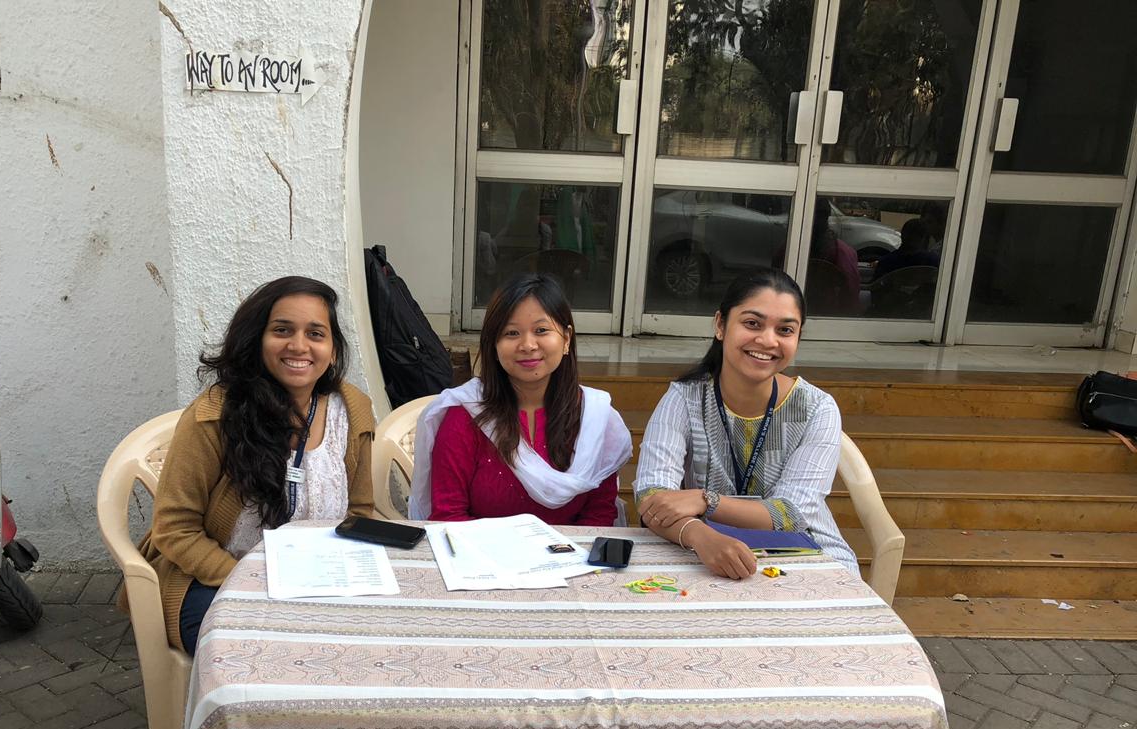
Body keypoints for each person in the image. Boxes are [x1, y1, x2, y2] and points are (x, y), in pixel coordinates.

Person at [142, 276, 375, 654]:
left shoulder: (353, 411)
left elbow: (359, 510)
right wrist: (255, 579)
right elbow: (173, 530)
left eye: (316, 333)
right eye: (282, 330)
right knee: (271, 651)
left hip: (318, 577)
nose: (299, 345)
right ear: (256, 340)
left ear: (332, 350)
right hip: (218, 579)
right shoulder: (214, 417)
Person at [634, 267, 857, 579]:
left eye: (785, 330)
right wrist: (699, 535)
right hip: (706, 552)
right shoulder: (684, 399)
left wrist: (705, 500)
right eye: (752, 323)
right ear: (721, 325)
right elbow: (651, 497)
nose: (767, 340)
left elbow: (791, 513)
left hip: (805, 551)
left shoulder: (817, 408)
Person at [408, 273, 631, 524]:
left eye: (541, 330)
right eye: (512, 333)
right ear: (494, 343)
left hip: (572, 558)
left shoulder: (595, 418)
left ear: (566, 339)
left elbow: (599, 514)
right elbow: (449, 515)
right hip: (481, 557)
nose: (528, 344)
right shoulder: (465, 416)